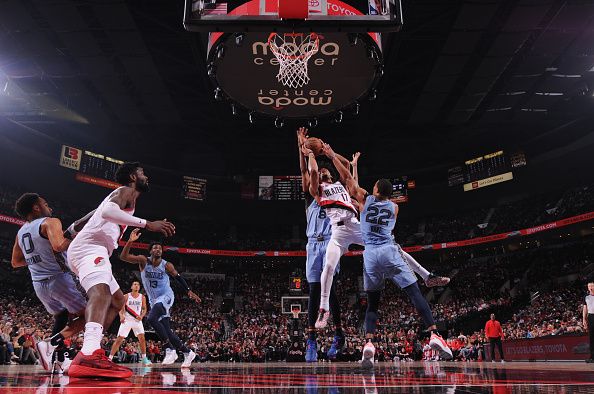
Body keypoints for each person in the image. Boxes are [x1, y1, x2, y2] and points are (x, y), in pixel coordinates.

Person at [321, 143, 452, 368]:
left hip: (370, 256)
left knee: (372, 304)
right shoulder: (394, 207)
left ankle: (369, 344)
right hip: (389, 251)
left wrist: (332, 154)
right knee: (414, 292)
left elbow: (348, 181)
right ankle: (434, 335)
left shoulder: (364, 200)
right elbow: (362, 194)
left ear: (376, 190)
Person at [66, 162, 175, 379]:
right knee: (101, 294)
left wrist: (72, 228)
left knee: (117, 301)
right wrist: (148, 224)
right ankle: (88, 353)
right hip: (89, 249)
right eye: (143, 173)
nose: (147, 177)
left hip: (91, 249)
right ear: (133, 176)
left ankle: (90, 353)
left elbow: (98, 211)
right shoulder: (124, 191)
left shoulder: (124, 198)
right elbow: (106, 211)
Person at [11, 193, 88, 373]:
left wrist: (37, 259)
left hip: (39, 285)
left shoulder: (21, 231)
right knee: (91, 314)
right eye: (45, 204)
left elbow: (15, 262)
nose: (50, 208)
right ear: (36, 207)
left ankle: (58, 358)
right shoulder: (50, 221)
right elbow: (59, 245)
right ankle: (49, 345)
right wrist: (82, 238)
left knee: (62, 317)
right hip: (59, 279)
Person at [296, 128, 347, 362]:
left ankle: (337, 335)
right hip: (312, 246)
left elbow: (346, 175)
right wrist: (302, 148)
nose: (322, 172)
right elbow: (305, 172)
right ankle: (312, 341)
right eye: (322, 170)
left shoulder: (337, 192)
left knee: (328, 291)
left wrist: (330, 154)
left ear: (331, 178)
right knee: (314, 291)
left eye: (326, 171)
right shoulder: (311, 194)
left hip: (330, 243)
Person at [119, 229, 200, 368]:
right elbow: (123, 257)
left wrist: (188, 291)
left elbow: (178, 277)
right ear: (150, 251)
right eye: (155, 248)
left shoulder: (166, 265)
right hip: (153, 299)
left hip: (166, 296)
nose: (158, 250)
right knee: (167, 331)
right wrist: (130, 242)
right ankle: (188, 352)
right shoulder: (143, 261)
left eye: (160, 248)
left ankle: (169, 349)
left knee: (151, 318)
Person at [109, 281, 151, 365]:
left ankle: (144, 358)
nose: (137, 286)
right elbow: (121, 307)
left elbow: (144, 309)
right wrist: (121, 316)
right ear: (131, 287)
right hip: (127, 320)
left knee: (142, 338)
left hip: (137, 321)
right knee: (119, 339)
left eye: (138, 285)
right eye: (135, 284)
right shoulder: (126, 296)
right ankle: (109, 358)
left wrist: (142, 316)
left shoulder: (142, 297)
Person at [582, 282, 594, 363]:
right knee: (592, 337)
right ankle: (592, 357)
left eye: (592, 286)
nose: (590, 287)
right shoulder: (586, 297)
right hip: (591, 317)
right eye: (589, 286)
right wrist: (584, 319)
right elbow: (585, 309)